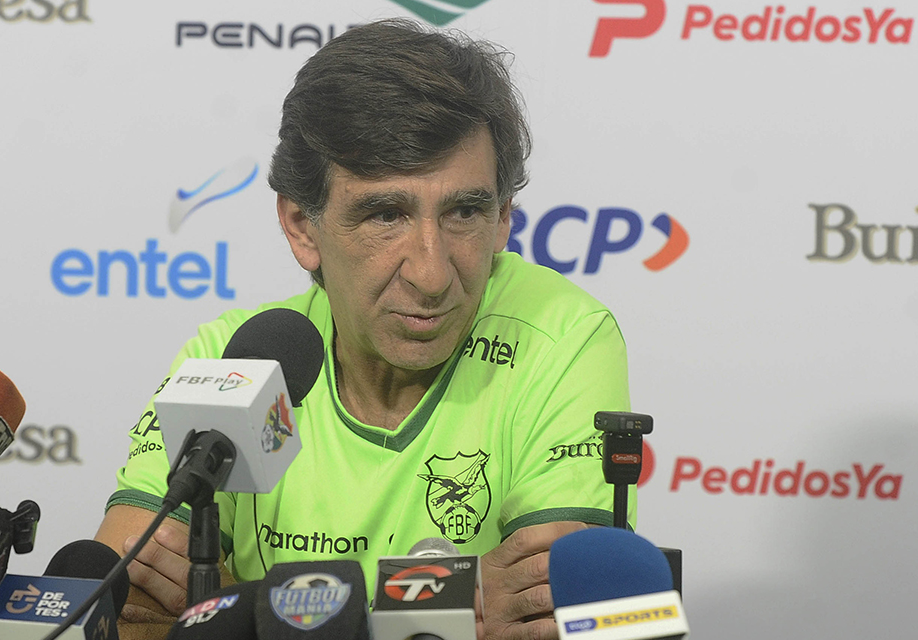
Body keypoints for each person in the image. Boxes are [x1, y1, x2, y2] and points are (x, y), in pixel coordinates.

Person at [94, 19, 634, 640]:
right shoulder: (234, 358)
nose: (432, 274)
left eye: (465, 211)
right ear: (301, 226)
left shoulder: (561, 335)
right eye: (385, 214)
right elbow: (126, 614)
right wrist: (444, 603)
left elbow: (550, 619)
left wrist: (252, 613)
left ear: (505, 218)